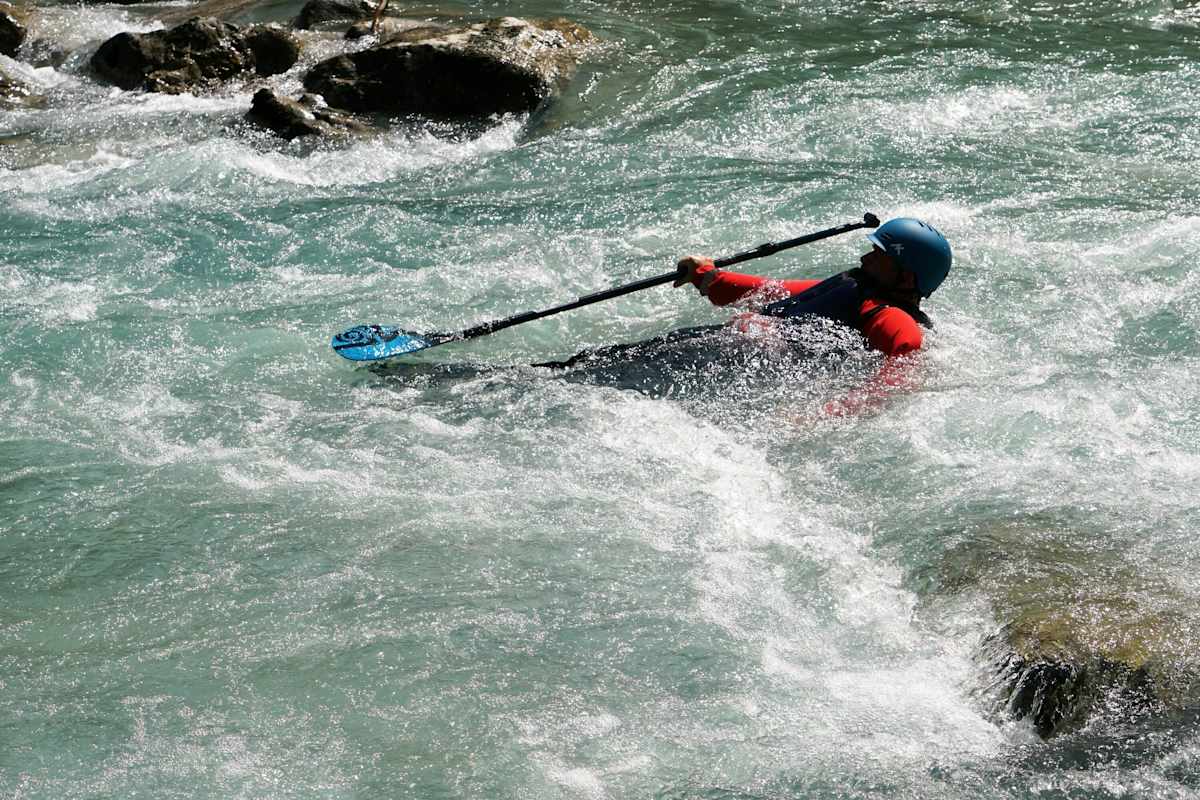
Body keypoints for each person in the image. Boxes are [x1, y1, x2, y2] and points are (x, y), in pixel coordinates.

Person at [673, 217, 952, 413]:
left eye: (879, 256)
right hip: (720, 350)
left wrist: (829, 412)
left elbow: (905, 358)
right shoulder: (856, 287)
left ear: (905, 278)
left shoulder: (891, 315)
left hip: (738, 365)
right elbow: (770, 290)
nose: (865, 259)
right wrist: (706, 276)